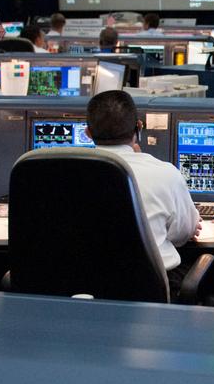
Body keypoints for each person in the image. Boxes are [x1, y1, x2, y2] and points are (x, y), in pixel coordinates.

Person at [85, 90, 201, 282]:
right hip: (147, 287)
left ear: (87, 132)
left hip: (77, 289)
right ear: (138, 128)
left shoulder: (59, 175)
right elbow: (183, 234)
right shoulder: (165, 173)